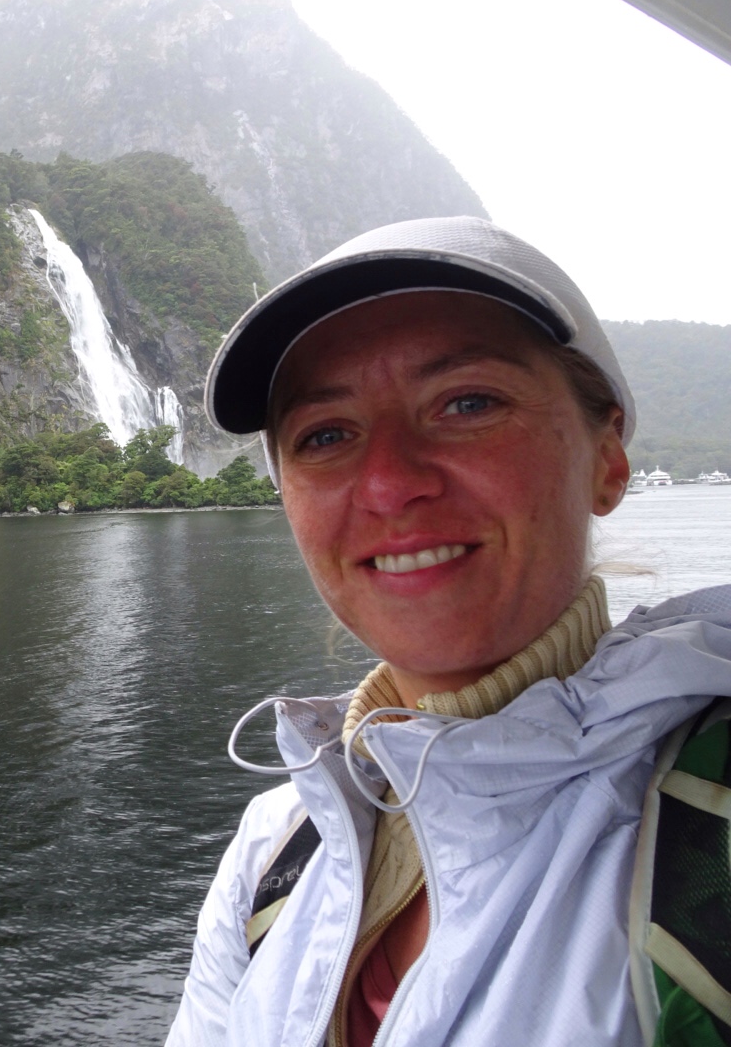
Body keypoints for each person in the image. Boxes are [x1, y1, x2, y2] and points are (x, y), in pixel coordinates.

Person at [167, 216, 731, 1047]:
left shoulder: (713, 837)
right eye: (326, 435)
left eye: (468, 403)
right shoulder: (275, 853)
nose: (389, 483)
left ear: (607, 458)